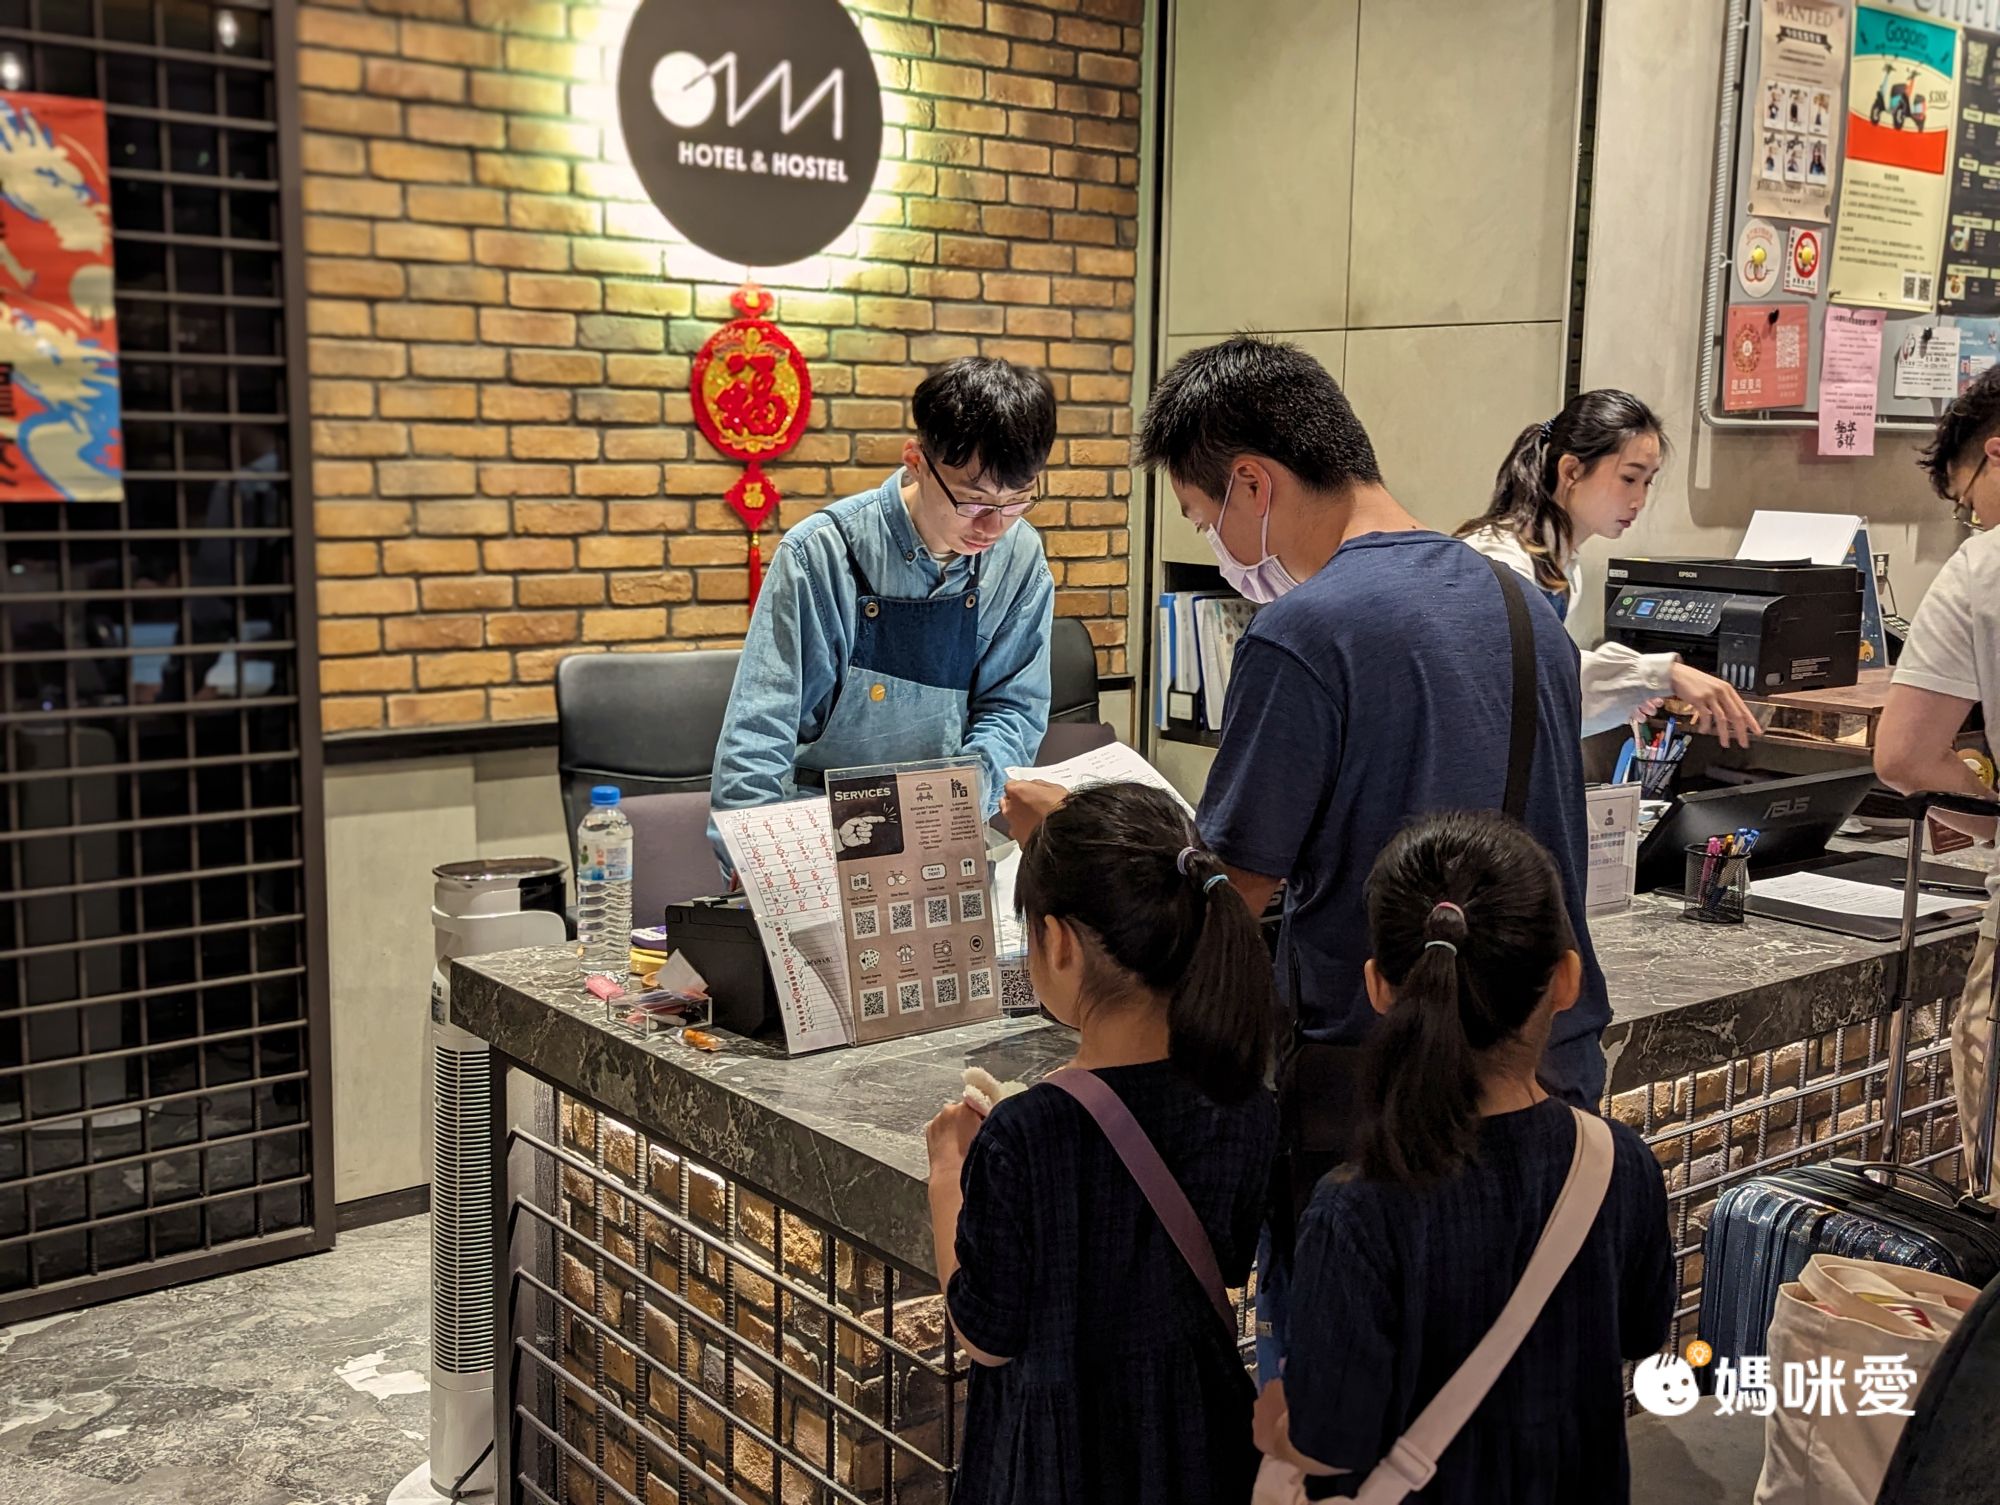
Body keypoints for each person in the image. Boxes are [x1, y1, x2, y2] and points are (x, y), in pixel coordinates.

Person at [1009, 333, 1614, 1380]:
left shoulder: (1306, 630)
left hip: (1377, 1112)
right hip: (1546, 1080)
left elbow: (1225, 892)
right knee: (1511, 1405)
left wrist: (1072, 832)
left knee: (1338, 1426)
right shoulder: (1527, 608)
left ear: (1253, 483)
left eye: (1203, 517)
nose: (1217, 546)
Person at [1260, 811, 1674, 1502]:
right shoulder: (1621, 1164)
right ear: (1567, 979)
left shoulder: (1355, 1210)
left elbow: (1330, 1438)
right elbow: (1642, 1331)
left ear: (1379, 987)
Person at [924, 782, 1278, 1505]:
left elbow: (986, 1333)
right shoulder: (1246, 1103)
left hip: (1056, 1459)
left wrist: (947, 1174)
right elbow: (1228, 1254)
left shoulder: (1025, 1133)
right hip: (1191, 1445)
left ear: (1058, 943)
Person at [709, 356, 1058, 869]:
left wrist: (952, 811)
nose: (993, 527)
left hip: (944, 837)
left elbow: (1012, 709)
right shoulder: (821, 554)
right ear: (916, 460)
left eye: (1017, 502)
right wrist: (756, 867)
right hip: (820, 837)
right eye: (972, 502)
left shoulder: (1019, 556)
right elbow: (759, 733)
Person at [1457, 390, 1760, 745]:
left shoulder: (1563, 566)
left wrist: (1619, 696)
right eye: (1629, 478)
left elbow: (1547, 696)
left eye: (1648, 481)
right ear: (1571, 470)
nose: (1640, 500)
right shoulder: (1500, 560)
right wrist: (1662, 674)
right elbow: (1523, 678)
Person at [1876, 365, 2000, 1181]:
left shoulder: (1983, 567)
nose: (1973, 519)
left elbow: (1904, 754)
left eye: (1968, 500)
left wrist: (1985, 812)